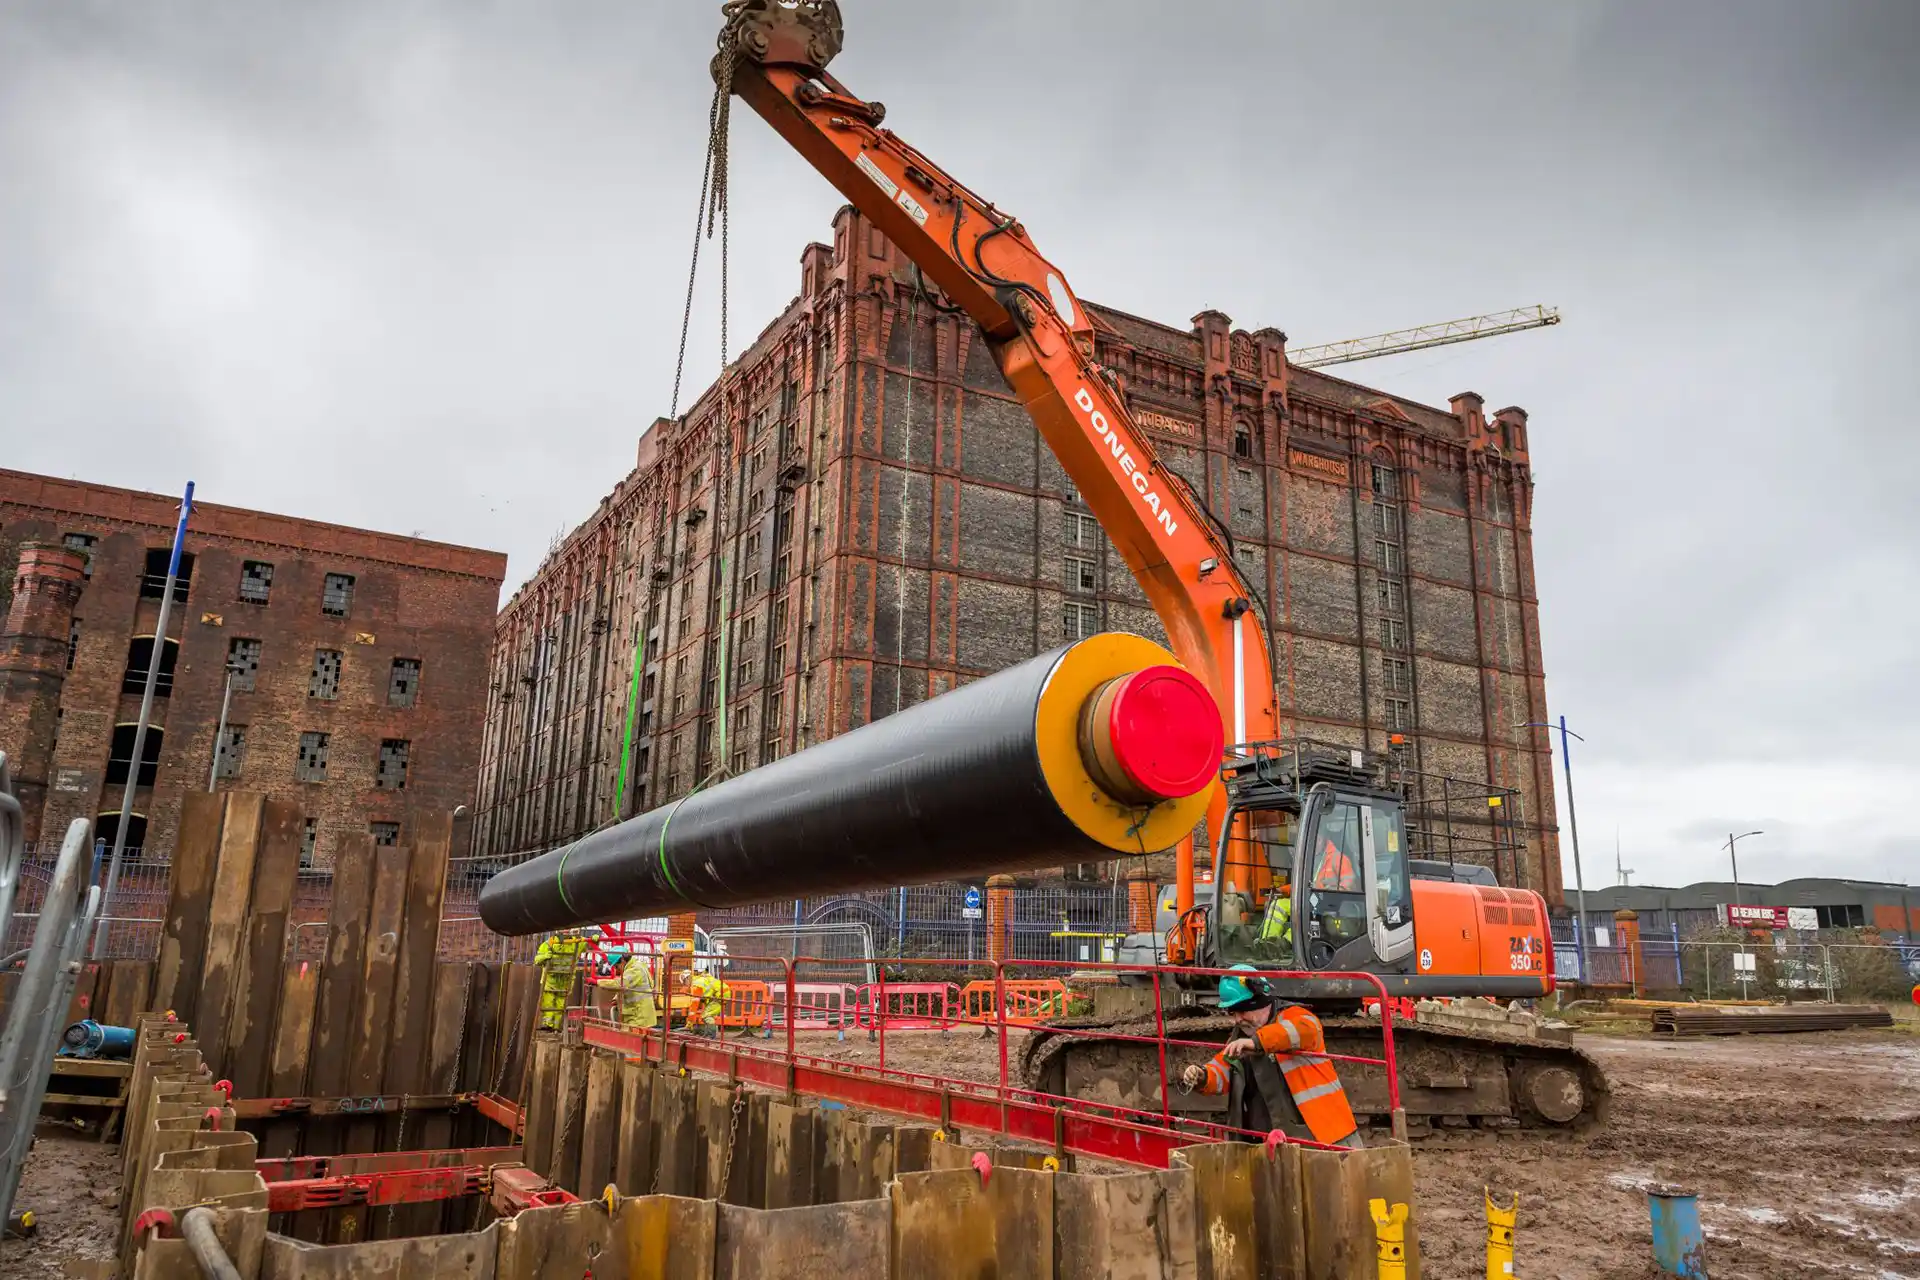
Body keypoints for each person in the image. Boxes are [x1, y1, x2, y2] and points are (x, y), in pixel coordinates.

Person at [1180, 964, 1363, 1149]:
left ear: (1260, 1002)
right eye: (1233, 1013)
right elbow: (1224, 1067)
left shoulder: (1294, 1016)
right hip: (1273, 1140)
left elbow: (1305, 1029)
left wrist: (1256, 1043)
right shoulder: (1242, 1035)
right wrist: (1203, 1075)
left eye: (1242, 1011)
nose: (1237, 1020)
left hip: (1326, 1134)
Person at [534, 928, 591, 1031]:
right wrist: (544, 957)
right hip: (550, 980)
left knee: (560, 1007)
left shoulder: (576, 942)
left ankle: (555, 1027)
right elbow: (537, 960)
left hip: (565, 981)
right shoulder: (549, 943)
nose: (566, 930)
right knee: (548, 1004)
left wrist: (594, 940)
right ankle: (548, 1025)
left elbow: (589, 945)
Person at [614, 950, 658, 1031]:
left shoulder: (635, 969)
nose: (617, 970)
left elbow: (620, 984)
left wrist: (597, 982)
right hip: (641, 1015)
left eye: (616, 966)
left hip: (639, 1016)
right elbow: (631, 985)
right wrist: (616, 998)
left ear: (623, 961)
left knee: (629, 1040)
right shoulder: (640, 965)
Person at [687, 968, 732, 1038]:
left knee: (707, 1015)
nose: (686, 984)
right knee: (706, 1015)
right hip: (720, 993)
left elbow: (695, 1003)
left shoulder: (696, 984)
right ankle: (708, 1033)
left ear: (687, 978)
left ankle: (711, 1035)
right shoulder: (700, 980)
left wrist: (690, 1021)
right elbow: (706, 993)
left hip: (719, 994)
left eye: (685, 982)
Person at [1258, 881, 1293, 952]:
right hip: (1305, 901)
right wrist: (1281, 890)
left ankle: (1286, 942)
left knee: (1303, 916)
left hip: (1317, 905)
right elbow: (1301, 884)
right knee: (1277, 904)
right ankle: (1269, 940)